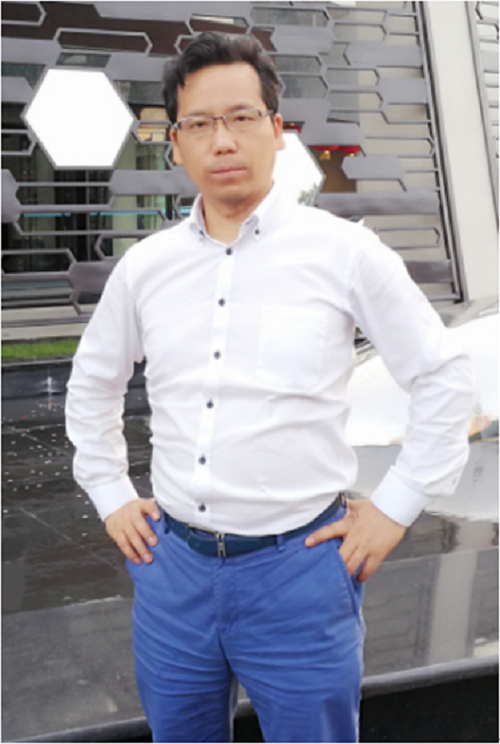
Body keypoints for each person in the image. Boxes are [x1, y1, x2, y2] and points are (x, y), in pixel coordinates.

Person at [65, 32, 475, 743]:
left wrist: (394, 508)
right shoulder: (147, 267)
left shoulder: (343, 252)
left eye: (242, 117)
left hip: (300, 573)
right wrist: (109, 491)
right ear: (176, 144)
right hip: (172, 570)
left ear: (277, 131)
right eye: (200, 123)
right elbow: (93, 382)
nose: (222, 139)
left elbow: (443, 376)